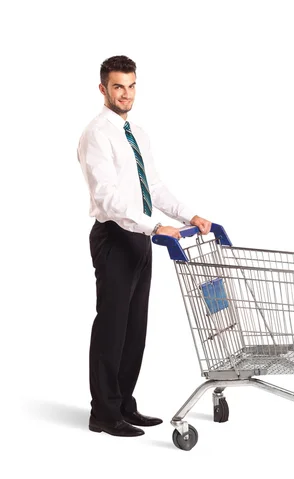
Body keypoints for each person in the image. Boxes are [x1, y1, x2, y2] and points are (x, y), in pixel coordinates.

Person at [77, 55, 211, 437]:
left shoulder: (137, 134)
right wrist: (156, 226)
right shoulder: (97, 134)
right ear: (103, 89)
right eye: (118, 86)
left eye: (132, 85)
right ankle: (103, 412)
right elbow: (108, 199)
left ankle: (124, 404)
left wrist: (190, 216)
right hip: (116, 237)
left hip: (142, 238)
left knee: (135, 327)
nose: (126, 93)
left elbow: (153, 187)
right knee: (112, 326)